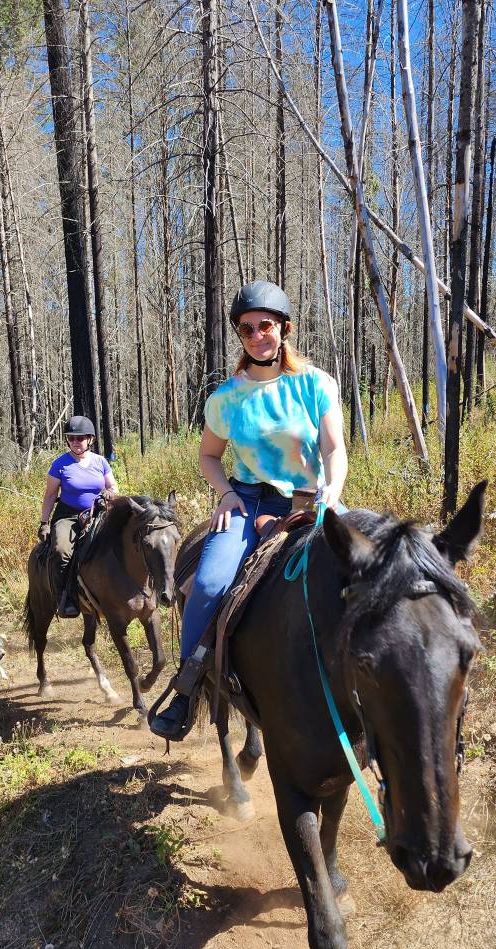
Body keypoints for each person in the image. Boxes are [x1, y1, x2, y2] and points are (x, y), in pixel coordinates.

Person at [149, 280, 348, 740]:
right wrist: (226, 493)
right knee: (210, 583)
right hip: (249, 500)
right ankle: (187, 688)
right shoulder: (226, 398)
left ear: (284, 328)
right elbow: (208, 455)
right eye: (247, 329)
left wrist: (333, 492)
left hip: (311, 499)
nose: (257, 335)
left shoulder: (316, 384)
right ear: (239, 335)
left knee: (367, 574)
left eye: (266, 325)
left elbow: (334, 448)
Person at [38, 415, 119, 617]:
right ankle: (66, 598)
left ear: (90, 439)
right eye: (71, 438)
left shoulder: (100, 462)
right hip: (69, 516)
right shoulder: (60, 464)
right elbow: (50, 495)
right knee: (61, 550)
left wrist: (110, 493)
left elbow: (112, 485)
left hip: (98, 513)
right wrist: (44, 522)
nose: (75, 442)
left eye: (80, 438)